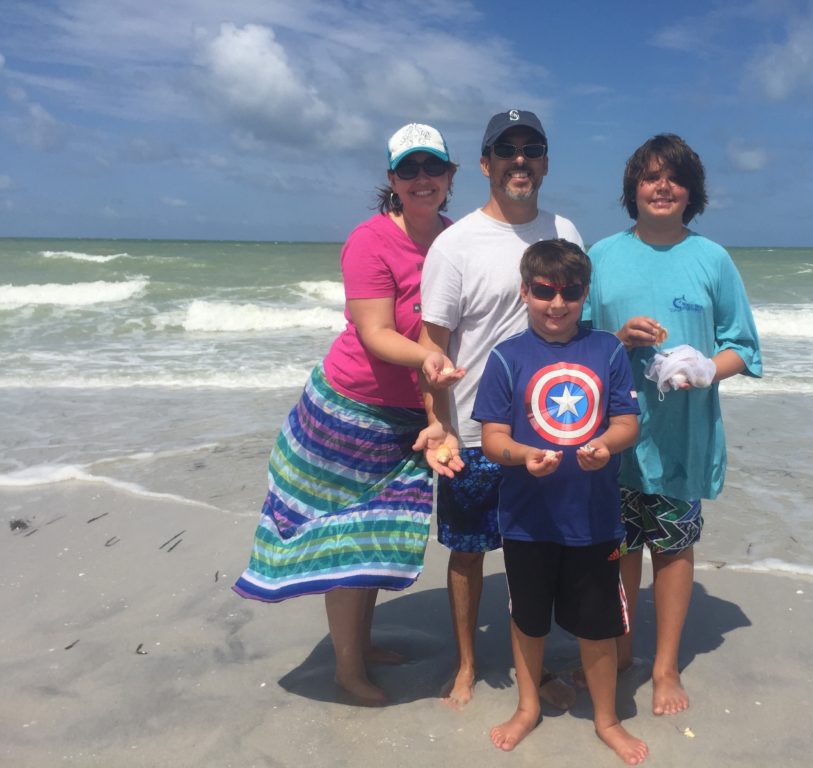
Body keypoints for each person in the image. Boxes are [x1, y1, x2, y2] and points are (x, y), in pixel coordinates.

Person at [233, 123, 463, 706]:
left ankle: (361, 645)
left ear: (449, 176)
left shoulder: (456, 240)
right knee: (348, 539)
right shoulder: (369, 241)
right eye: (408, 170)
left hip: (413, 413)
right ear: (392, 180)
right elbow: (376, 333)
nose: (421, 180)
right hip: (350, 414)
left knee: (377, 539)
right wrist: (431, 357)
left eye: (431, 168)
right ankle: (347, 669)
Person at [584, 134, 762, 716]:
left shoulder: (712, 258)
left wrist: (707, 367)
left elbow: (745, 347)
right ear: (632, 189)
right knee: (617, 547)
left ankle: (664, 669)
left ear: (692, 193)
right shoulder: (603, 254)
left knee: (672, 548)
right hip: (609, 434)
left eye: (675, 178)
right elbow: (570, 342)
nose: (662, 187)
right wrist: (615, 338)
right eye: (650, 177)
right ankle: (623, 650)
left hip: (682, 435)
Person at [413, 109, 585, 710]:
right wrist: (436, 425)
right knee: (467, 551)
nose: (519, 159)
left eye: (531, 147)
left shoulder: (564, 230)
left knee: (544, 551)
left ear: (543, 161)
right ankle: (465, 664)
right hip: (475, 432)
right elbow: (431, 346)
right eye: (505, 149)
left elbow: (578, 325)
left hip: (552, 430)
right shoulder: (454, 244)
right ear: (485, 164)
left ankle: (536, 664)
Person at [473, 239, 647, 765]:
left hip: (593, 521)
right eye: (544, 291)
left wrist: (605, 446)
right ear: (525, 291)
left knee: (598, 627)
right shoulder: (506, 357)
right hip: (527, 521)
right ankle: (527, 708)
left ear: (584, 294)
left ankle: (607, 718)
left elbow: (628, 424)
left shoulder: (608, 351)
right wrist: (524, 454)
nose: (557, 304)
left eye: (569, 292)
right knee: (528, 621)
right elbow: (492, 441)